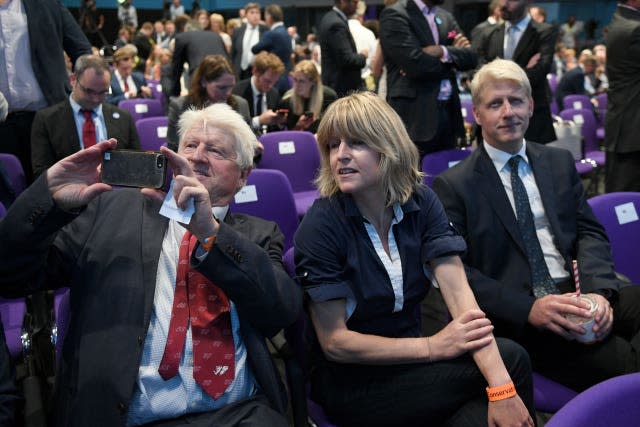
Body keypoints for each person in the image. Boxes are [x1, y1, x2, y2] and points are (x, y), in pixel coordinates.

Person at [0, 103, 302, 425]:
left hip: (237, 413)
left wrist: (211, 233)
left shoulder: (257, 235)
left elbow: (281, 309)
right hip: (129, 414)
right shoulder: (111, 209)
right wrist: (47, 199)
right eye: (189, 145)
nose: (198, 156)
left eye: (215, 150)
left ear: (243, 176)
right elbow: (11, 274)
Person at [294, 91, 535, 427]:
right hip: (353, 381)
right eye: (334, 145)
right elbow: (336, 343)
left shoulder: (420, 201)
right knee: (511, 362)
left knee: (496, 385)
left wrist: (501, 389)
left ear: (388, 147)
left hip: (412, 362)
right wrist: (433, 347)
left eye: (357, 143)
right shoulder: (321, 223)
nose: (341, 156)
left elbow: (460, 297)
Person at [432, 59, 640, 392]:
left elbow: (589, 232)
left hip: (577, 291)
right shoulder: (454, 185)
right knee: (627, 366)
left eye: (515, 101)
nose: (508, 112)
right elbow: (460, 275)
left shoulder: (557, 161)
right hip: (522, 314)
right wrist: (529, 309)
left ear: (530, 106)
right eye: (495, 104)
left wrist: (598, 293)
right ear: (477, 115)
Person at [0, 0, 91, 185]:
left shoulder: (47, 4)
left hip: (47, 120)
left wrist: (85, 89)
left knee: (54, 194)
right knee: (9, 197)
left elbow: (81, 50)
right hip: (2, 124)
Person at [380, 0, 476, 156]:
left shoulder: (446, 17)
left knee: (444, 173)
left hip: (449, 112)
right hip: (415, 115)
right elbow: (415, 65)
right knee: (413, 175)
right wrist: (452, 57)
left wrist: (441, 51)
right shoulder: (395, 14)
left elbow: (471, 58)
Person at [31, 55, 140, 178]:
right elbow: (42, 174)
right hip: (68, 190)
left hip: (115, 191)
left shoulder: (124, 118)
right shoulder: (47, 120)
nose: (95, 99)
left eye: (103, 92)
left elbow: (137, 165)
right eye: (89, 91)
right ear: (73, 80)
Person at [473, 0, 557, 145]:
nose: (503, 4)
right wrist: (525, 71)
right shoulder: (489, 33)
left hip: (532, 121)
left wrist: (495, 79)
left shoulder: (544, 32)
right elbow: (478, 73)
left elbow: (540, 71)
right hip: (494, 124)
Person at [167, 55, 250, 151]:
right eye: (221, 88)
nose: (228, 93)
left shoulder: (240, 105)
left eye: (231, 86)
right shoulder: (180, 106)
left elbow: (250, 144)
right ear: (203, 82)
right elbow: (173, 148)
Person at [604, 0, 640, 192]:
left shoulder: (621, 22)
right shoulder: (634, 29)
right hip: (631, 129)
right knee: (626, 202)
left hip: (627, 125)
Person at [169, 16, 229, 97]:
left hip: (200, 76)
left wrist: (175, 93)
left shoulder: (182, 37)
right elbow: (228, 59)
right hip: (224, 75)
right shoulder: (215, 35)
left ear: (186, 29)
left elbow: (177, 67)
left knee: (199, 106)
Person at [318, 0, 367, 97]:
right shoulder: (336, 24)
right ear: (342, 2)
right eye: (355, 2)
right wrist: (363, 56)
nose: (357, 5)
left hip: (336, 85)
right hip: (341, 88)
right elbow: (346, 59)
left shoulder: (330, 18)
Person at [232, 52, 287, 135]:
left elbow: (275, 130)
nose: (270, 86)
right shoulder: (237, 92)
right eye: (267, 81)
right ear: (255, 71)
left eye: (274, 82)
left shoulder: (274, 94)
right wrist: (259, 121)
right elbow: (235, 128)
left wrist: (278, 122)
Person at [277, 60, 337, 133]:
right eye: (295, 80)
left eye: (302, 81)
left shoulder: (329, 97)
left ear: (313, 81)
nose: (297, 85)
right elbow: (284, 135)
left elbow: (335, 128)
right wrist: (299, 126)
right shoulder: (287, 101)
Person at [251, 4, 292, 95]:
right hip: (285, 78)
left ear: (269, 17)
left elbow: (254, 49)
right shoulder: (286, 33)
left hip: (272, 79)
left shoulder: (271, 34)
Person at [231, 3, 268, 81]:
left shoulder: (265, 31)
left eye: (257, 13)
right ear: (246, 15)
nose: (255, 15)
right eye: (252, 12)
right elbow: (233, 53)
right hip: (240, 71)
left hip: (258, 71)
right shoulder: (237, 31)